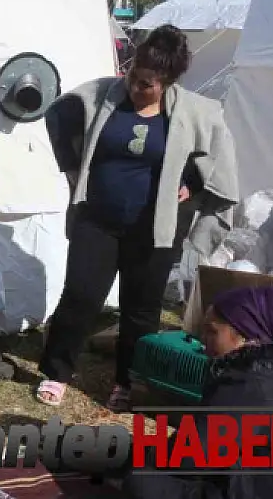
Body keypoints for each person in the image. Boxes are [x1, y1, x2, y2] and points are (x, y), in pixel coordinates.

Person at [36, 25, 238, 411]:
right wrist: (72, 169)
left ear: (168, 82)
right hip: (98, 219)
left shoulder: (192, 113)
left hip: (154, 228)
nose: (136, 88)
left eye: (146, 84)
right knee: (80, 296)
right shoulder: (104, 97)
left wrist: (192, 181)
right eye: (133, 77)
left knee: (141, 309)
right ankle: (57, 371)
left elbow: (213, 159)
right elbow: (59, 112)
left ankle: (127, 381)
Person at [122, 285, 273, 499]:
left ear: (247, 336)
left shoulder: (251, 381)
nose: (202, 340)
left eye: (212, 331)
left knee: (142, 481)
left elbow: (185, 458)